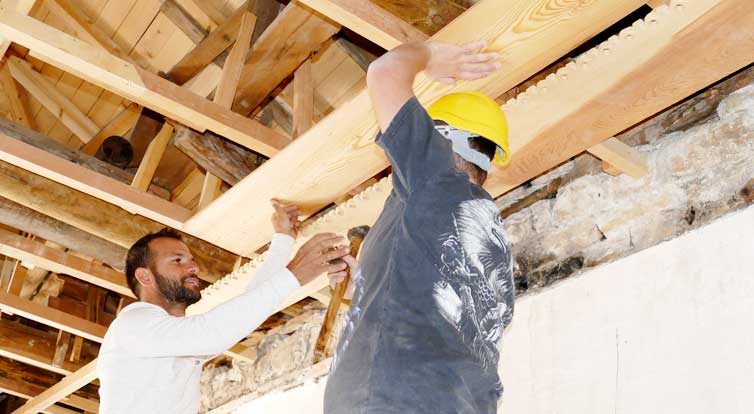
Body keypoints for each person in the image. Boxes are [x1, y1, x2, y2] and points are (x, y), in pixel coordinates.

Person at [324, 40, 515, 414]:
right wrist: (362, 283)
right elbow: (438, 309)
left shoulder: (434, 176)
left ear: (439, 138)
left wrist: (429, 57)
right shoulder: (481, 226)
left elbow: (385, 72)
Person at [98, 200, 351, 414]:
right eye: (177, 260)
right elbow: (212, 334)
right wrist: (294, 273)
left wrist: (283, 241)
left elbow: (249, 304)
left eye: (191, 260)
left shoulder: (173, 340)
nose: (194, 267)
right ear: (145, 277)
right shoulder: (132, 325)